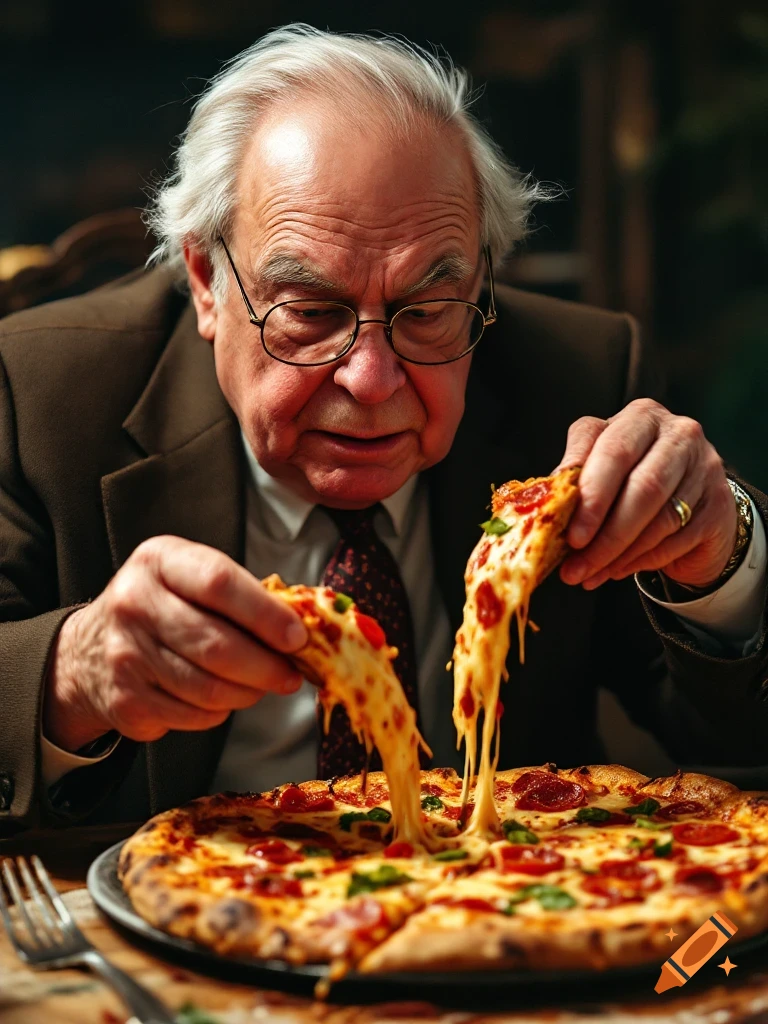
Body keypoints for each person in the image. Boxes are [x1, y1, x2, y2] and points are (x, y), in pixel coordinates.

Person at [1, 25, 766, 835]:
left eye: (428, 311)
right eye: (311, 313)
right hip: (176, 918)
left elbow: (735, 740)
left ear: (480, 275)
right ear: (206, 282)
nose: (370, 380)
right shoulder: (39, 389)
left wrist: (722, 567)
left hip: (508, 918)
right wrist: (73, 673)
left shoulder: (585, 375)